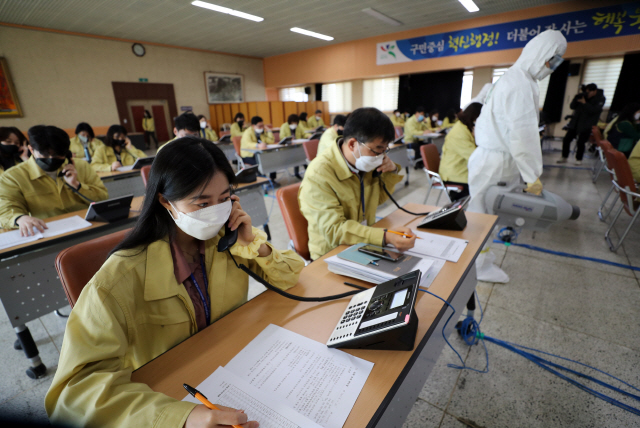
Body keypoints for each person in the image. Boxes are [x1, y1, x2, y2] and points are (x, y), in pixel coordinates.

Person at [45, 136, 303, 428]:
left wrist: (255, 245)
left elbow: (292, 274)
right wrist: (182, 418)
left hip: (228, 367)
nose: (216, 211)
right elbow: (72, 395)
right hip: (161, 397)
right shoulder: (117, 279)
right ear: (166, 201)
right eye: (202, 203)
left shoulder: (228, 242)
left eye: (223, 199)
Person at [468, 29, 567, 283]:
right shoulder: (521, 84)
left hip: (489, 159)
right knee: (485, 217)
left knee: (482, 213)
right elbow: (523, 137)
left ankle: (479, 262)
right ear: (540, 54)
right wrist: (532, 176)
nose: (552, 68)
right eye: (551, 60)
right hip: (498, 163)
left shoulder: (511, 78)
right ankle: (479, 266)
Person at [299, 107, 416, 260]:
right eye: (377, 150)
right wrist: (385, 237)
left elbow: (378, 199)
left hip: (363, 243)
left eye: (384, 150)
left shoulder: (362, 163)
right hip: (332, 253)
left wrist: (391, 172)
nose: (380, 157)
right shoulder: (319, 174)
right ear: (353, 144)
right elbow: (334, 230)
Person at [0, 125, 108, 233]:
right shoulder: (12, 177)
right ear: (31, 149)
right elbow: (5, 210)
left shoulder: (81, 166)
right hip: (47, 230)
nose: (51, 159)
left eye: (57, 155)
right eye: (45, 154)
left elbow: (103, 198)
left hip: (88, 225)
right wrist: (20, 218)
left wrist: (77, 185)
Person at [439, 103, 483, 201]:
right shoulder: (459, 133)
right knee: (481, 186)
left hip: (461, 168)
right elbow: (474, 156)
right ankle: (457, 198)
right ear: (475, 117)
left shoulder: (465, 128)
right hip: (454, 173)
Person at [557, 83, 605, 165]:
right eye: (586, 92)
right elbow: (572, 107)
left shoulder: (600, 98)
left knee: (581, 142)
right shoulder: (583, 96)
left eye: (589, 92)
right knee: (567, 139)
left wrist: (585, 103)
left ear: (594, 91)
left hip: (587, 123)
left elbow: (593, 111)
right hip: (576, 122)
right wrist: (576, 99)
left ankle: (578, 159)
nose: (587, 94)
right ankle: (564, 157)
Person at [240, 116, 277, 183]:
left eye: (262, 125)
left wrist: (269, 131)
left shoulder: (262, 132)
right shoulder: (247, 132)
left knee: (272, 161)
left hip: (259, 154)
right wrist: (257, 145)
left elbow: (271, 141)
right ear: (253, 126)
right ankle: (263, 181)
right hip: (248, 155)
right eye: (259, 126)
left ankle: (272, 180)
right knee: (260, 164)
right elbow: (247, 144)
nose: (261, 127)